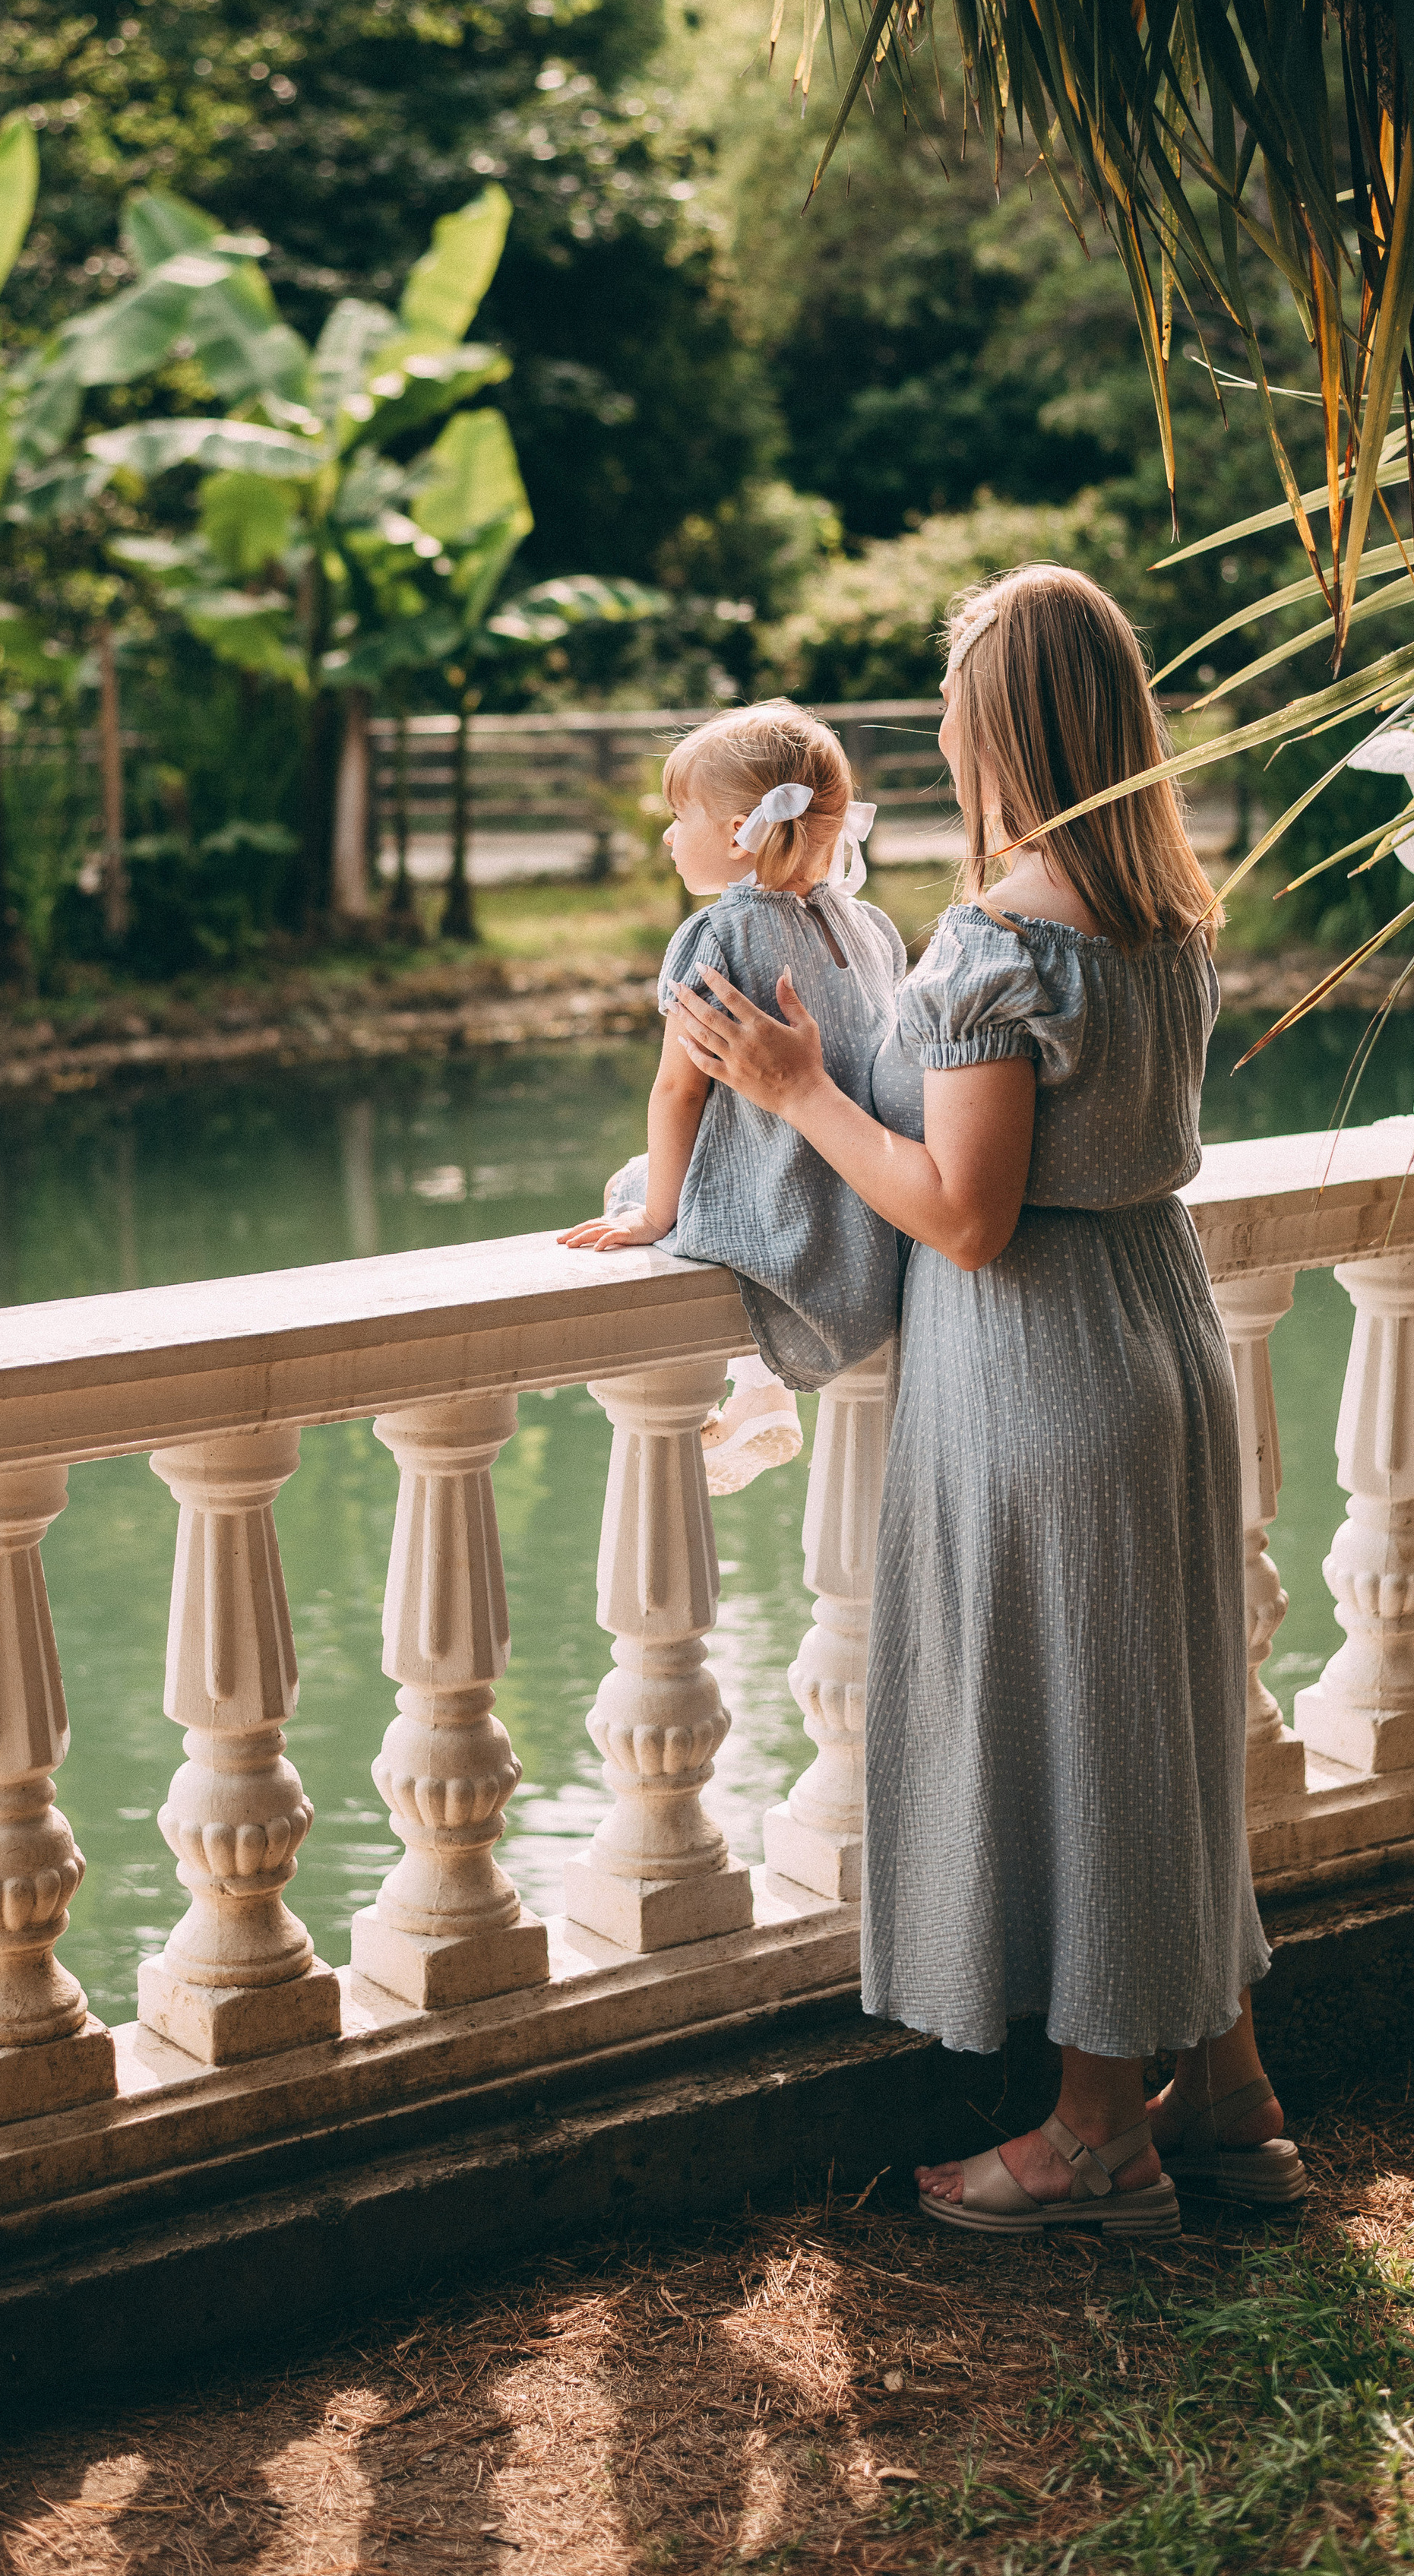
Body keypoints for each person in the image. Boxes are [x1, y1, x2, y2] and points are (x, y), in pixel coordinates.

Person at [663, 568, 1303, 2237]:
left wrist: (794, 1088)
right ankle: (1226, 2092)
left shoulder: (998, 940)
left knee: (1082, 1739)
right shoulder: (1164, 917)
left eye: (953, 715)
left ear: (999, 730)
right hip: (1155, 1330)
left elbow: (960, 1211)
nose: (940, 745)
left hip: (1040, 1370)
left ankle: (1093, 2134)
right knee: (1154, 1721)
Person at [560, 701, 906, 1492]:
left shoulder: (716, 937)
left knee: (632, 1180)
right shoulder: (871, 929)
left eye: (679, 815)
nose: (666, 836)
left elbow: (679, 1091)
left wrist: (652, 1217)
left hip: (778, 1211)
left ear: (736, 831)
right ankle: (759, 1391)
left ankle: (754, 1392)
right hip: (862, 1214)